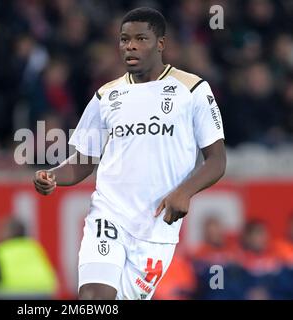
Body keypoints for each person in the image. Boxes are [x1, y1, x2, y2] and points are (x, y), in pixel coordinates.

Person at [33, 7, 226, 300]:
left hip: (156, 229)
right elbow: (84, 161)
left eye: (140, 39)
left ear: (160, 43)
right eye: (124, 40)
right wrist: (53, 176)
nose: (130, 46)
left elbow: (217, 160)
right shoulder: (106, 96)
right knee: (94, 299)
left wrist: (184, 192)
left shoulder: (193, 90)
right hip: (109, 216)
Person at [0, 217, 58, 299]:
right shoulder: (34, 248)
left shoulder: (3, 251)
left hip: (13, 296)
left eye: (1, 230)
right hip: (43, 295)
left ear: (9, 232)